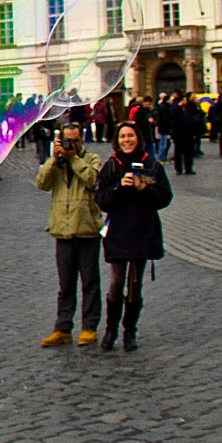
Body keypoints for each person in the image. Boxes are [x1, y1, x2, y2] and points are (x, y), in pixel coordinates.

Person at [95, 122, 172, 352]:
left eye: (130, 136)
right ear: (117, 140)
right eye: (122, 137)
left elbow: (164, 198)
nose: (127, 140)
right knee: (116, 283)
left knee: (135, 285)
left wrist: (144, 189)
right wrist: (120, 187)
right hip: (118, 232)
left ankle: (130, 331)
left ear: (137, 138)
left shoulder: (152, 164)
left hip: (142, 231)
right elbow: (101, 199)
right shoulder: (111, 166)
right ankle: (110, 330)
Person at [36, 122, 104, 346]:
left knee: (90, 282)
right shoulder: (57, 161)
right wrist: (54, 159)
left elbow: (94, 180)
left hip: (86, 229)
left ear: (81, 139)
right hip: (63, 230)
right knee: (66, 284)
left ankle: (89, 327)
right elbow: (41, 183)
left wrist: (74, 158)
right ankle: (62, 328)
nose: (70, 144)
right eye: (67, 140)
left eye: (75, 140)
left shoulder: (92, 159)